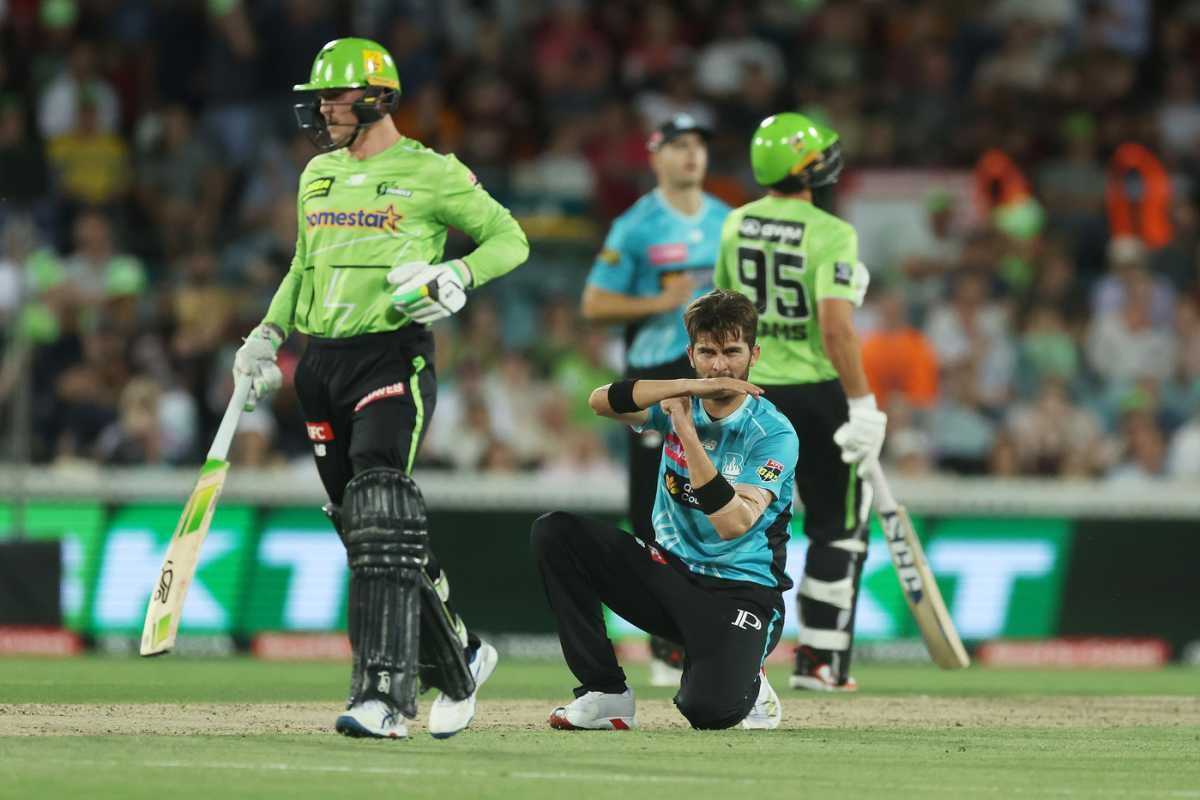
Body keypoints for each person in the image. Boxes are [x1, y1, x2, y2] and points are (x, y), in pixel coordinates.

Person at [232, 38, 529, 739]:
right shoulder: (317, 176)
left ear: (376, 97)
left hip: (391, 356)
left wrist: (456, 276)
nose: (323, 109)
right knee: (361, 525)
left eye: (334, 97)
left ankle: (386, 697)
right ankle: (460, 653)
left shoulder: (431, 171)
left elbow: (509, 238)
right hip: (320, 365)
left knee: (379, 504)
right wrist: (264, 338)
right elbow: (303, 269)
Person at [532, 289, 796, 731]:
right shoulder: (682, 396)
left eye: (732, 352)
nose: (720, 367)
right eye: (708, 353)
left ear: (754, 353)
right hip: (669, 575)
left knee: (708, 711)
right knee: (555, 532)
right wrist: (686, 390)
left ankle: (748, 675)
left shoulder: (772, 433)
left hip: (740, 593)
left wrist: (687, 434)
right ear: (691, 354)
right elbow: (600, 401)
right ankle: (605, 693)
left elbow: (733, 524)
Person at [714, 113, 883, 692]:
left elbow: (723, 313)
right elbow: (837, 331)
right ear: (806, 168)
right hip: (815, 392)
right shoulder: (831, 232)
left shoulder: (735, 224)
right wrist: (863, 403)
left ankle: (739, 659)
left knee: (755, 528)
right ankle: (820, 663)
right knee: (837, 527)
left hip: (753, 393)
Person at [579, 113, 731, 687]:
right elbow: (595, 304)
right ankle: (665, 638)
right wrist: (661, 301)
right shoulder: (637, 225)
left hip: (712, 371)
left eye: (700, 146)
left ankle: (708, 630)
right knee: (654, 505)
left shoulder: (726, 219)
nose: (693, 156)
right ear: (657, 156)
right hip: (656, 371)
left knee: (715, 493)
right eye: (681, 146)